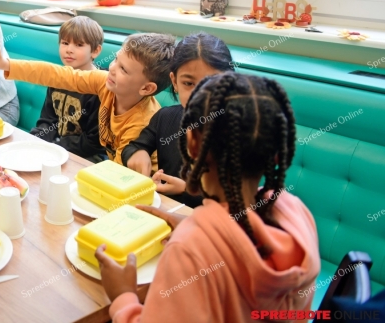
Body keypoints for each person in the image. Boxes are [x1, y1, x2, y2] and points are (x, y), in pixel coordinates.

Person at [96, 73, 320, 322]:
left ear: (191, 144)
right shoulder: (296, 212)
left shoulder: (190, 249)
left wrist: (123, 297)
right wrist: (203, 228)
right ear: (277, 155)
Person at [0, 32, 174, 162]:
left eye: (123, 69)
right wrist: (4, 63)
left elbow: (126, 174)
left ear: (147, 88)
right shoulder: (105, 83)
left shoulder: (142, 122)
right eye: (116, 59)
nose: (113, 68)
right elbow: (58, 75)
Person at [122, 32, 233, 208]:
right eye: (189, 84)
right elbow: (134, 146)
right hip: (164, 211)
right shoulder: (165, 117)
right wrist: (138, 154)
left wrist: (187, 189)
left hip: (211, 222)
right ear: (174, 81)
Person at [30, 16, 105, 160]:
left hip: (89, 156)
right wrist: (36, 139)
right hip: (56, 148)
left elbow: (94, 142)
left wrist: (56, 145)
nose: (69, 50)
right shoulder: (57, 78)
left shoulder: (100, 87)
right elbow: (48, 120)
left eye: (79, 45)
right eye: (65, 43)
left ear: (95, 51)